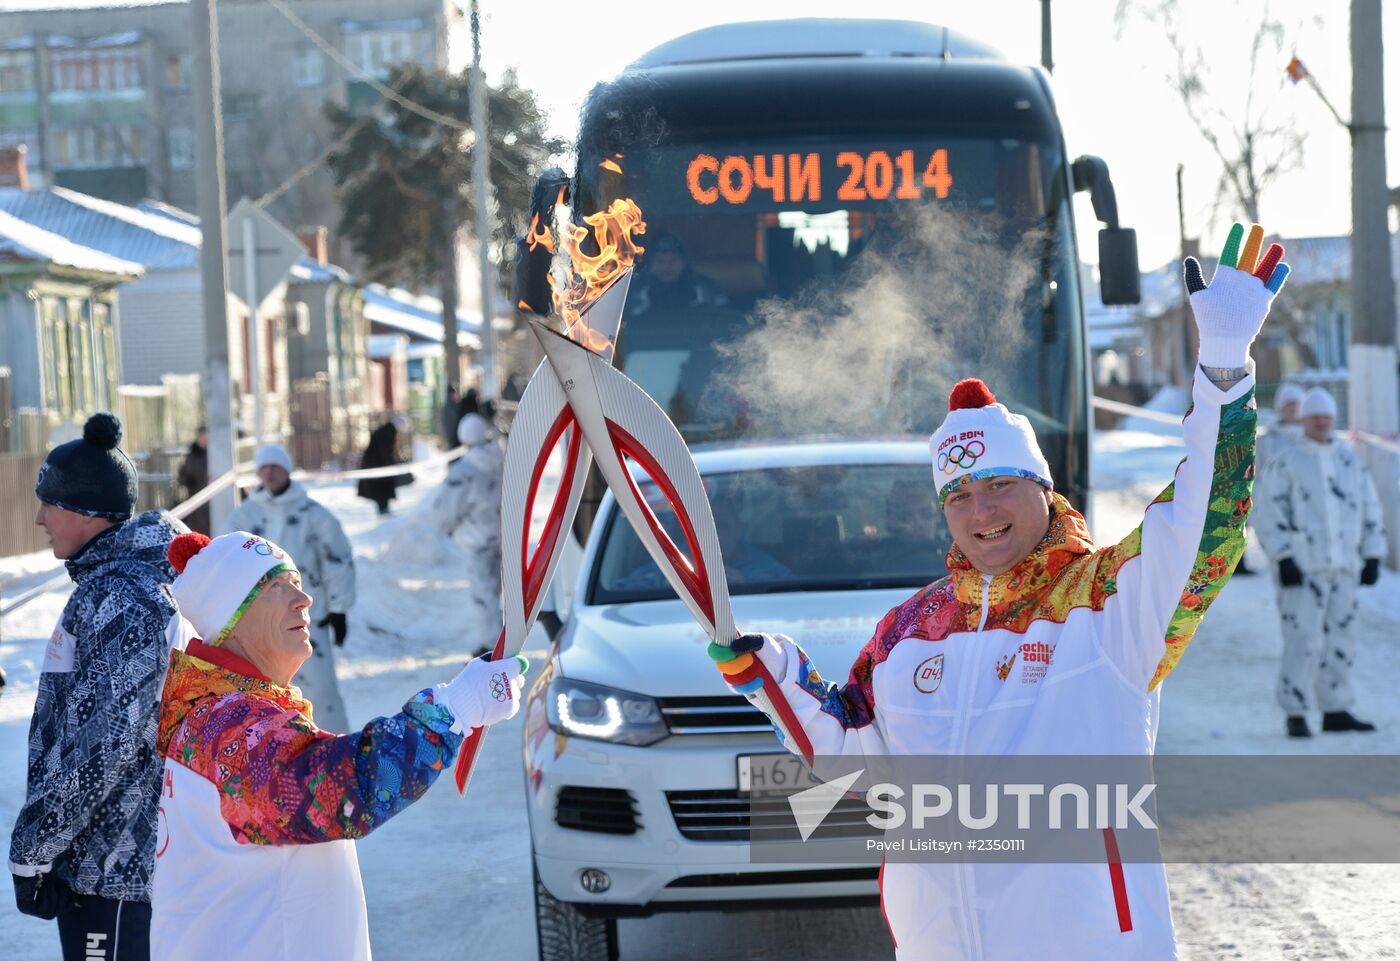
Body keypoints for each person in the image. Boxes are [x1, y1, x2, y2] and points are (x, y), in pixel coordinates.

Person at [707, 224, 1287, 960]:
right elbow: (859, 761)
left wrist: (1224, 371)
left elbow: (1206, 522)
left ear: (1044, 487)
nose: (981, 511)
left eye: (1001, 485)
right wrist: (770, 677)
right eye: (960, 496)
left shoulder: (1107, 599)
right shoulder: (906, 631)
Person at [152, 531, 526, 961]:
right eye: (276, 586)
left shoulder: (224, 712)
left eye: (296, 581)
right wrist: (454, 708)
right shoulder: (231, 729)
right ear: (231, 618)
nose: (304, 598)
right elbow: (339, 791)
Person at [10, 413, 192, 961]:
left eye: (50, 503)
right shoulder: (113, 585)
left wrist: (34, 850)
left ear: (87, 511)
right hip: (105, 858)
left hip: (118, 867)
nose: (40, 518)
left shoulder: (127, 601)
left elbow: (103, 746)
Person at [1254, 386, 1384, 738]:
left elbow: (1370, 506)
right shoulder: (1287, 462)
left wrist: (1373, 552)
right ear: (1304, 420)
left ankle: (1336, 708)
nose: (1322, 422)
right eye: (1315, 416)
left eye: (1327, 416)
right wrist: (1283, 557)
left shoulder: (1349, 461)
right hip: (1303, 568)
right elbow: (1267, 511)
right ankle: (1295, 712)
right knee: (1303, 640)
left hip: (1344, 566)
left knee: (1342, 638)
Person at [226, 443, 356, 733]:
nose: (269, 473)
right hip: (258, 625)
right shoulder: (243, 518)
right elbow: (226, 565)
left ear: (286, 470)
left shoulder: (313, 514)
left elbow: (339, 560)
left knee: (320, 691)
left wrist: (339, 608)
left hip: (308, 620)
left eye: (275, 466)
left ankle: (333, 745)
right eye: (264, 467)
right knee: (266, 696)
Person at [433, 412, 505, 657]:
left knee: (483, 594)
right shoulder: (503, 460)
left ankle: (491, 646)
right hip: (503, 536)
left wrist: (446, 527)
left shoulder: (464, 470)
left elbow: (446, 510)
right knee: (500, 591)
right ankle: (502, 639)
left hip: (476, 539)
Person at [629, 230, 728, 315]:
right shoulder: (634, 290)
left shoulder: (704, 288)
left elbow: (720, 320)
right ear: (650, 264)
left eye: (673, 261)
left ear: (684, 263)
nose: (666, 267)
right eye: (660, 261)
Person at [357, 418, 412, 515]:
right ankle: (383, 509)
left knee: (382, 490)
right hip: (378, 467)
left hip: (378, 466)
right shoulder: (387, 433)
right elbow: (385, 452)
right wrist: (393, 462)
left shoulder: (386, 431)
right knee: (381, 490)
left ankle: (384, 508)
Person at [175, 426, 210, 535]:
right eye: (202, 436)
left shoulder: (214, 455)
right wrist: (187, 480)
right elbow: (182, 475)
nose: (204, 439)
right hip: (197, 503)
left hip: (213, 501)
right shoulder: (192, 455)